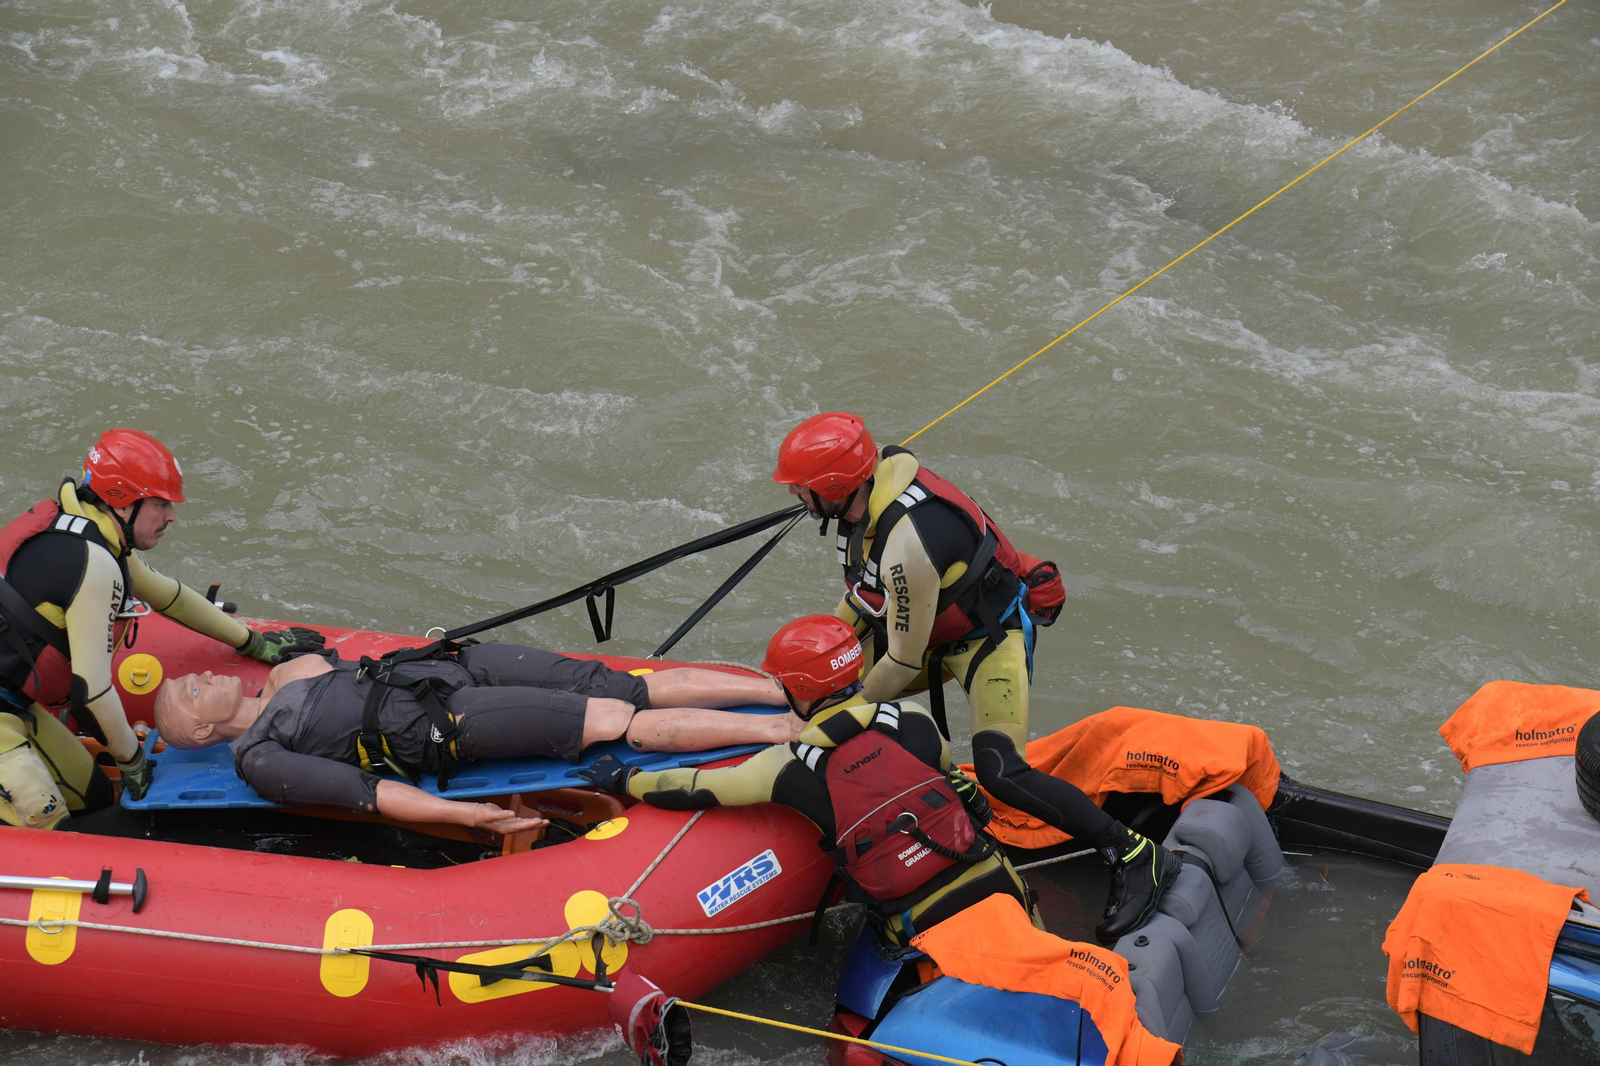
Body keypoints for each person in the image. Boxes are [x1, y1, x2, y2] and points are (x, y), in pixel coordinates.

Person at [770, 413, 1178, 945]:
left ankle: (1134, 853)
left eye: (802, 488)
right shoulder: (867, 498)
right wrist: (813, 667)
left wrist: (834, 724)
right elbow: (863, 600)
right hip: (929, 627)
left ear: (830, 488)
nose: (798, 498)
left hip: (988, 637)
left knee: (1000, 769)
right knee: (830, 689)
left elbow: (903, 662)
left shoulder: (906, 543)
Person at [581, 615, 1033, 948]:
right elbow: (950, 780)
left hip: (917, 921)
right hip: (999, 880)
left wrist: (624, 777)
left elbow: (695, 787)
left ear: (796, 690)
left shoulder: (786, 766)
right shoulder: (915, 720)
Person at [0, 429, 324, 830]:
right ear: (122, 501)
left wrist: (252, 641)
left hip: (13, 704)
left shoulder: (88, 531)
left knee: (98, 796)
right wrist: (133, 763)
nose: (170, 516)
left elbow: (170, 596)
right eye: (160, 504)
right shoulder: (92, 562)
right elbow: (93, 693)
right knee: (61, 836)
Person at [152, 639, 802, 834]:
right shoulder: (262, 755)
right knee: (614, 719)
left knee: (623, 684)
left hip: (455, 667)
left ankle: (787, 691)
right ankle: (784, 730)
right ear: (202, 729)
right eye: (189, 691)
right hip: (445, 726)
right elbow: (368, 794)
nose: (202, 675)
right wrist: (470, 819)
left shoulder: (287, 669)